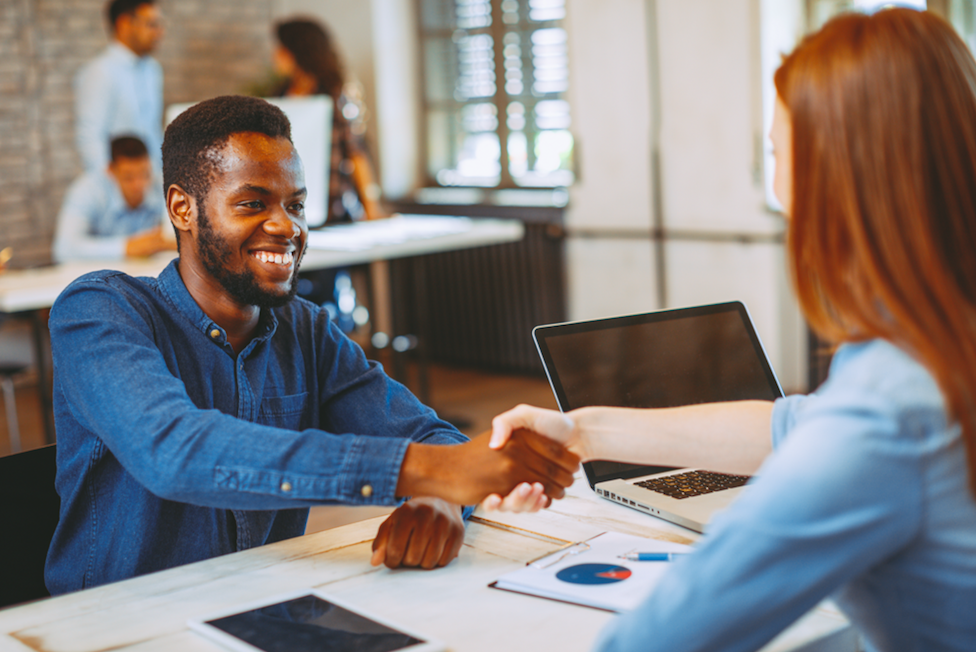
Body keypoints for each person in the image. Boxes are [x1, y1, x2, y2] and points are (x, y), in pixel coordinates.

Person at [487, 9, 976, 652]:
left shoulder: (890, 409)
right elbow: (796, 425)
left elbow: (663, 639)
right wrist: (584, 430)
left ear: (836, 180)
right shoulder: (934, 350)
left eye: (777, 152)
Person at [44, 95, 579, 595]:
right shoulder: (99, 311)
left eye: (296, 205)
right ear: (182, 209)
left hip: (259, 611)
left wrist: (439, 497)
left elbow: (430, 435)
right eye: (253, 203)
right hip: (116, 626)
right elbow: (175, 451)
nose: (286, 226)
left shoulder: (304, 329)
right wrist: (427, 471)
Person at [272, 18, 382, 224]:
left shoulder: (334, 96)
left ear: (298, 51)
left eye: (281, 49)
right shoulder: (279, 96)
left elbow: (356, 152)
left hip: (334, 209)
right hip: (291, 209)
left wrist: (372, 208)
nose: (275, 56)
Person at [74, 0, 164, 174]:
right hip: (120, 187)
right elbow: (90, 137)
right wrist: (114, 188)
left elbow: (152, 131)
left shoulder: (153, 70)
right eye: (151, 24)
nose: (159, 32)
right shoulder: (100, 72)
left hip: (149, 183)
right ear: (124, 23)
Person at [53, 135, 174, 262]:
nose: (139, 185)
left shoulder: (164, 186)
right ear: (111, 170)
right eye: (128, 177)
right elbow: (64, 250)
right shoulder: (87, 191)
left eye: (145, 174)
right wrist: (126, 247)